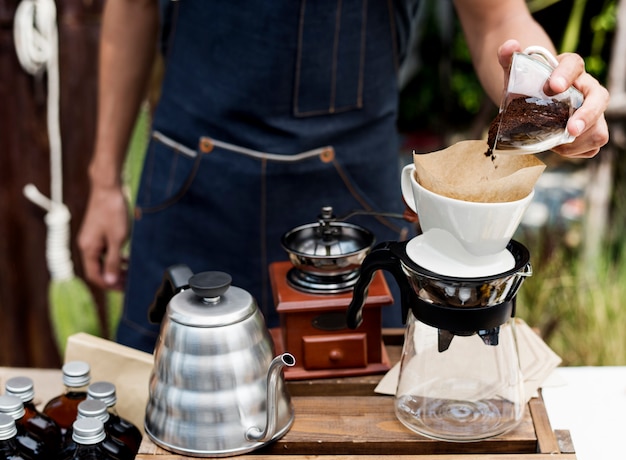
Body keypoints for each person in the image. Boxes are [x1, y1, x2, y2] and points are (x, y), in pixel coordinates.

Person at [78, 0, 609, 354]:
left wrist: (550, 91)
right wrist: (104, 182)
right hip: (190, 190)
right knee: (167, 414)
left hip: (353, 203)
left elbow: (495, 18)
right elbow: (132, 6)